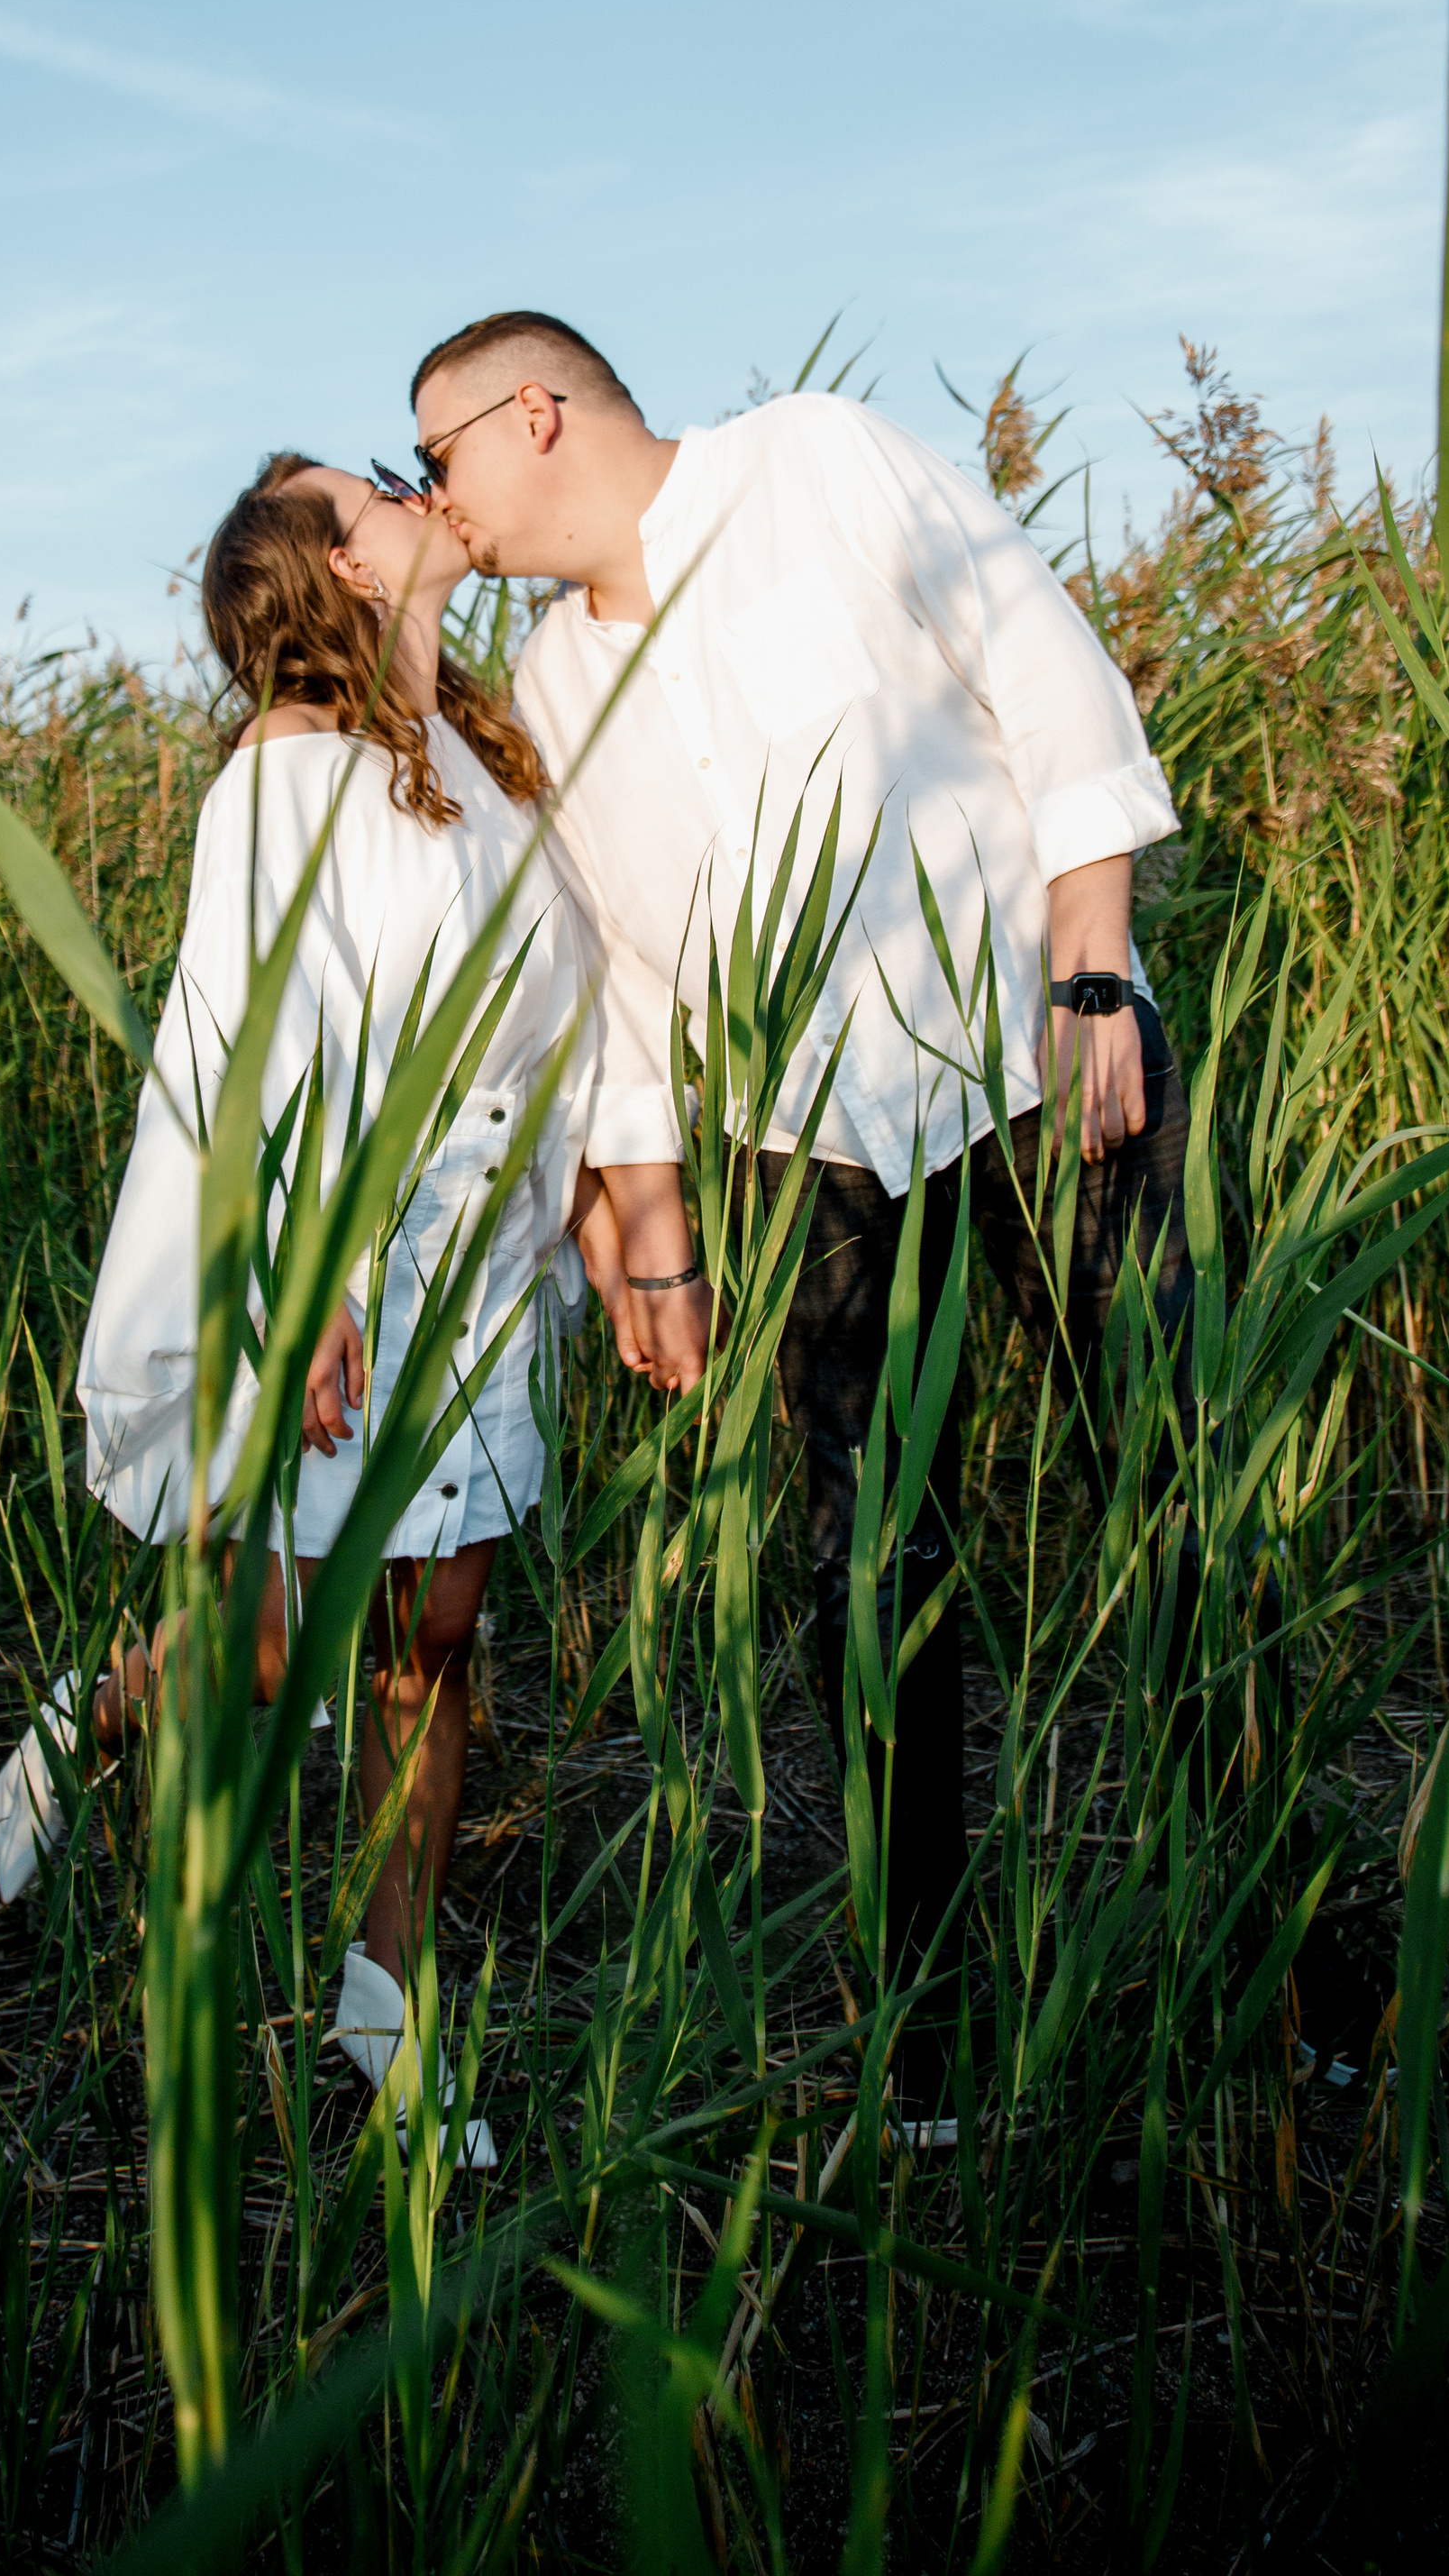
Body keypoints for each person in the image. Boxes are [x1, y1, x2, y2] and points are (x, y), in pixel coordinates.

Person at [405, 311, 1193, 2096]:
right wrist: (655, 1223)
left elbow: (1036, 659)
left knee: (1165, 1487)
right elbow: (613, 974)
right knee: (866, 1564)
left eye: (437, 460)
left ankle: (1307, 1954)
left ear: (532, 413)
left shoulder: (812, 459)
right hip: (801, 1142)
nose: (436, 503)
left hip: (1035, 1056)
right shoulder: (544, 686)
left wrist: (1090, 962)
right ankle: (925, 2008)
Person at [74, 450, 607, 2160]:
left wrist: (596, 1197)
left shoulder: (474, 746)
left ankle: (386, 2010)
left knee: (438, 1634)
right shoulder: (281, 780)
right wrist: (305, 1286)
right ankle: (78, 1739)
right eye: (369, 491)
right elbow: (249, 1048)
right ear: (335, 572)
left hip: (482, 1247)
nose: (409, 491)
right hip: (352, 1249)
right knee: (294, 1640)